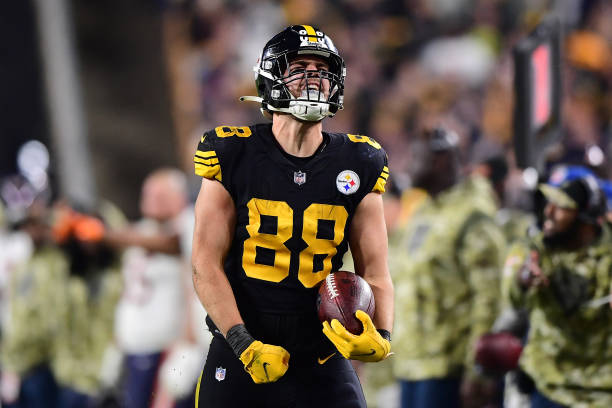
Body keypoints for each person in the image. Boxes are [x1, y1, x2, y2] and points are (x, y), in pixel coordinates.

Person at [191, 25, 394, 407]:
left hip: (320, 352)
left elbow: (377, 272)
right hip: (243, 349)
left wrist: (381, 334)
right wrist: (243, 343)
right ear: (270, 77)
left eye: (321, 69)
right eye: (300, 66)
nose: (313, 76)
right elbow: (205, 264)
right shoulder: (233, 152)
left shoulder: (360, 161)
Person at [391, 127, 507, 408]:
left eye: (416, 157)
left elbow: (489, 300)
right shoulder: (423, 210)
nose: (408, 166)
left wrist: (478, 369)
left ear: (440, 160)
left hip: (448, 368)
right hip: (411, 362)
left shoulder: (473, 215)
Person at [502, 176, 612, 407]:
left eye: (561, 207)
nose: (548, 212)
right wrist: (523, 279)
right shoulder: (537, 245)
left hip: (601, 392)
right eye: (549, 203)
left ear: (585, 219)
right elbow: (512, 293)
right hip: (549, 384)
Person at [110, 168, 196, 408]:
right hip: (134, 348)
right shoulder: (142, 231)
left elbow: (172, 243)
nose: (150, 200)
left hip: (169, 349)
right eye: (148, 194)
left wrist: (107, 235)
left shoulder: (189, 222)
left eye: (159, 195)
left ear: (178, 196)